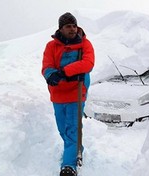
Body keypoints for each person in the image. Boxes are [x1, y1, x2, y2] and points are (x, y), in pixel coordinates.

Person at [41, 12, 95, 176]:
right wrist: (51, 75)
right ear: (61, 29)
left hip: (76, 93)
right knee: (63, 129)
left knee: (72, 129)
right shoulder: (51, 46)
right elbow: (46, 66)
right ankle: (76, 148)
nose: (72, 29)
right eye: (68, 26)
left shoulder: (85, 44)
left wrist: (64, 72)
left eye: (74, 26)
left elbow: (88, 63)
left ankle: (69, 165)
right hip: (57, 94)